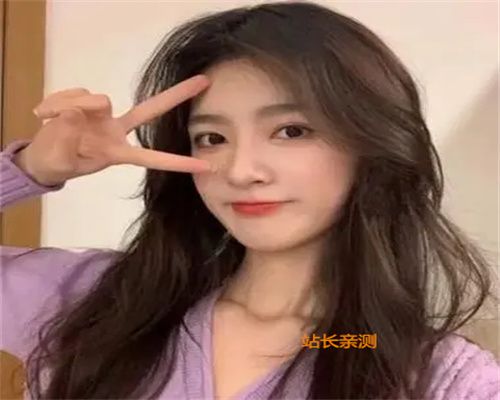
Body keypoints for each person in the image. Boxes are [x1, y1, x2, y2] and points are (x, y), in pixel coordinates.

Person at [1, 1, 498, 399]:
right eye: (212, 138)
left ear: (371, 143)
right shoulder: (94, 301)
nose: (240, 171)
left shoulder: (437, 377)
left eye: (291, 130)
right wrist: (30, 170)